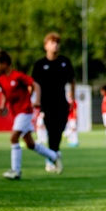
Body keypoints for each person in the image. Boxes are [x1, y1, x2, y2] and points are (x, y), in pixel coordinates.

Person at [0, 50, 62, 179]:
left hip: (25, 111)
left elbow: (35, 84)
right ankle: (54, 156)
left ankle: (16, 171)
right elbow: (4, 92)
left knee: (13, 138)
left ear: (5, 64)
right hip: (16, 113)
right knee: (30, 144)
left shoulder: (17, 76)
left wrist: (37, 100)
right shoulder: (1, 79)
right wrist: (2, 105)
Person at [31, 32, 75, 162]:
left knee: (59, 129)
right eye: (52, 42)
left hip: (62, 102)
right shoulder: (39, 64)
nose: (55, 45)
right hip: (46, 103)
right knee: (51, 130)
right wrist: (34, 99)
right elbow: (34, 83)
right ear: (46, 46)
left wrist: (72, 97)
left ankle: (53, 153)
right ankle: (51, 158)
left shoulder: (64, 62)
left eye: (57, 43)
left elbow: (72, 80)